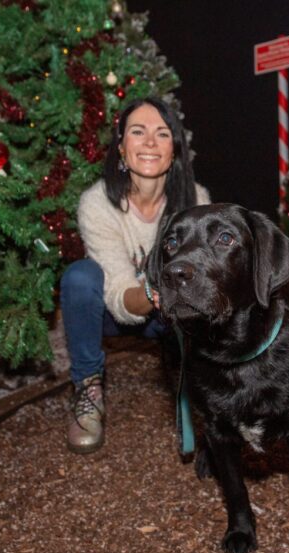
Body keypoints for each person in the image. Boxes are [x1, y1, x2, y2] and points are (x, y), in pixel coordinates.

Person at [61, 97, 209, 453]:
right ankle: (88, 387)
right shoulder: (97, 204)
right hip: (119, 310)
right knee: (80, 277)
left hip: (173, 312)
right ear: (121, 147)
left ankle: (200, 390)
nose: (149, 142)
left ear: (174, 150)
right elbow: (118, 292)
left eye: (162, 134)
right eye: (138, 132)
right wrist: (154, 290)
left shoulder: (195, 200)